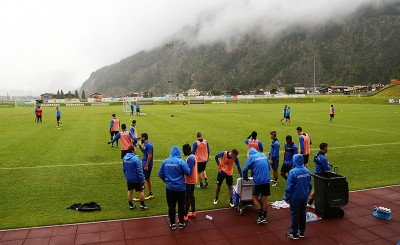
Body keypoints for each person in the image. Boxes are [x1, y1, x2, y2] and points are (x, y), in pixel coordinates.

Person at [158, 146, 191, 230]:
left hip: (170, 188)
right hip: (181, 188)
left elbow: (160, 174)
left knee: (171, 206)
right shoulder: (181, 162)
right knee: (181, 206)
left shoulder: (165, 161)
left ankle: (172, 223)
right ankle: (181, 223)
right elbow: (188, 172)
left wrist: (166, 181)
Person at [284, 154, 312, 240]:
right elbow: (310, 185)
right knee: (302, 213)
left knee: (295, 214)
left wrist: (286, 197)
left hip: (295, 197)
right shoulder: (307, 171)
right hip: (304, 196)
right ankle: (302, 231)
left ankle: (294, 233)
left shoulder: (292, 172)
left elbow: (289, 187)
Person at [242, 148, 271, 224]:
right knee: (264, 198)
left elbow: (245, 169)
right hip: (267, 180)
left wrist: (245, 177)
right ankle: (264, 217)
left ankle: (260, 215)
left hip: (258, 181)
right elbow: (269, 167)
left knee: (254, 197)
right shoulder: (264, 155)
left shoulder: (252, 157)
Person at [122, 145, 148, 210]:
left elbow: (124, 169)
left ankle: (131, 206)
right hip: (137, 179)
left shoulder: (124, 158)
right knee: (141, 191)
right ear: (132, 150)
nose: (136, 150)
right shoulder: (135, 159)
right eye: (135, 149)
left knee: (130, 191)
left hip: (129, 178)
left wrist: (126, 176)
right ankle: (142, 205)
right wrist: (143, 179)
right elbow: (139, 170)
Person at [307, 143, 332, 208]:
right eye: (327, 147)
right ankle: (312, 202)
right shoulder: (323, 158)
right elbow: (327, 168)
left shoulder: (316, 154)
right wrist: (330, 166)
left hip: (317, 173)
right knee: (319, 189)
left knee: (316, 188)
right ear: (325, 148)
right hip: (321, 175)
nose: (328, 149)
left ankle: (310, 202)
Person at [182, 143, 197, 221]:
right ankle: (193, 212)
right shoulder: (192, 156)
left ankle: (185, 215)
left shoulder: (190, 158)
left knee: (187, 197)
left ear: (186, 150)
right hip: (191, 180)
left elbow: (189, 171)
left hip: (189, 181)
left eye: (183, 150)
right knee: (191, 195)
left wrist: (182, 169)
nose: (183, 152)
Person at [138, 133, 154, 199]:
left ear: (144, 138)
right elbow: (144, 152)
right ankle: (150, 193)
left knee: (143, 179)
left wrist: (146, 165)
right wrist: (139, 146)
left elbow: (150, 155)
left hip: (147, 165)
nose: (140, 138)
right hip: (145, 164)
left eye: (141, 137)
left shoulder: (149, 145)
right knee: (147, 178)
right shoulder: (145, 144)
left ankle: (142, 194)